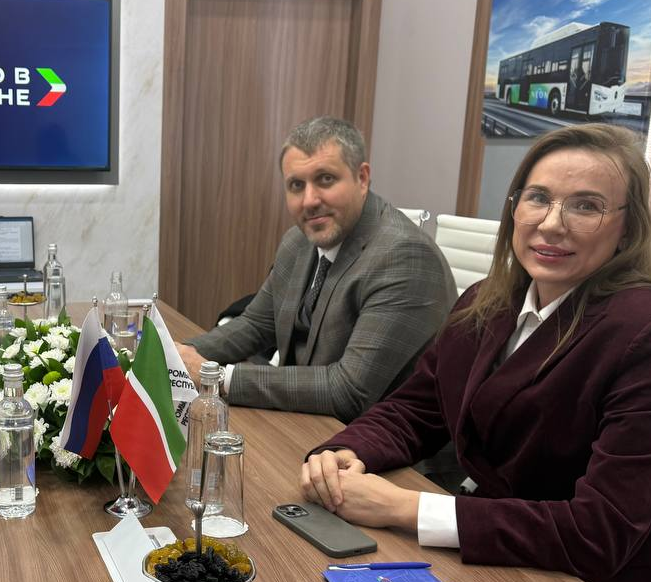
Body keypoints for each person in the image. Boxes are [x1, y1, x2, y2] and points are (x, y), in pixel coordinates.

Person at [300, 124, 651, 582]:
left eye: (586, 206)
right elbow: (416, 409)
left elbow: (600, 530)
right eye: (537, 198)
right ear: (514, 208)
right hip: (504, 566)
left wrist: (404, 508)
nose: (552, 224)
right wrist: (343, 452)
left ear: (627, 229)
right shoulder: (486, 301)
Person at [176, 116, 455, 418]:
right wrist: (175, 357)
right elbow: (257, 324)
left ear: (362, 178)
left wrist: (215, 377)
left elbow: (348, 390)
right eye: (296, 185)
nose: (309, 200)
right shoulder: (298, 241)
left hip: (385, 439)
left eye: (325, 179)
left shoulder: (405, 256)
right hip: (311, 422)